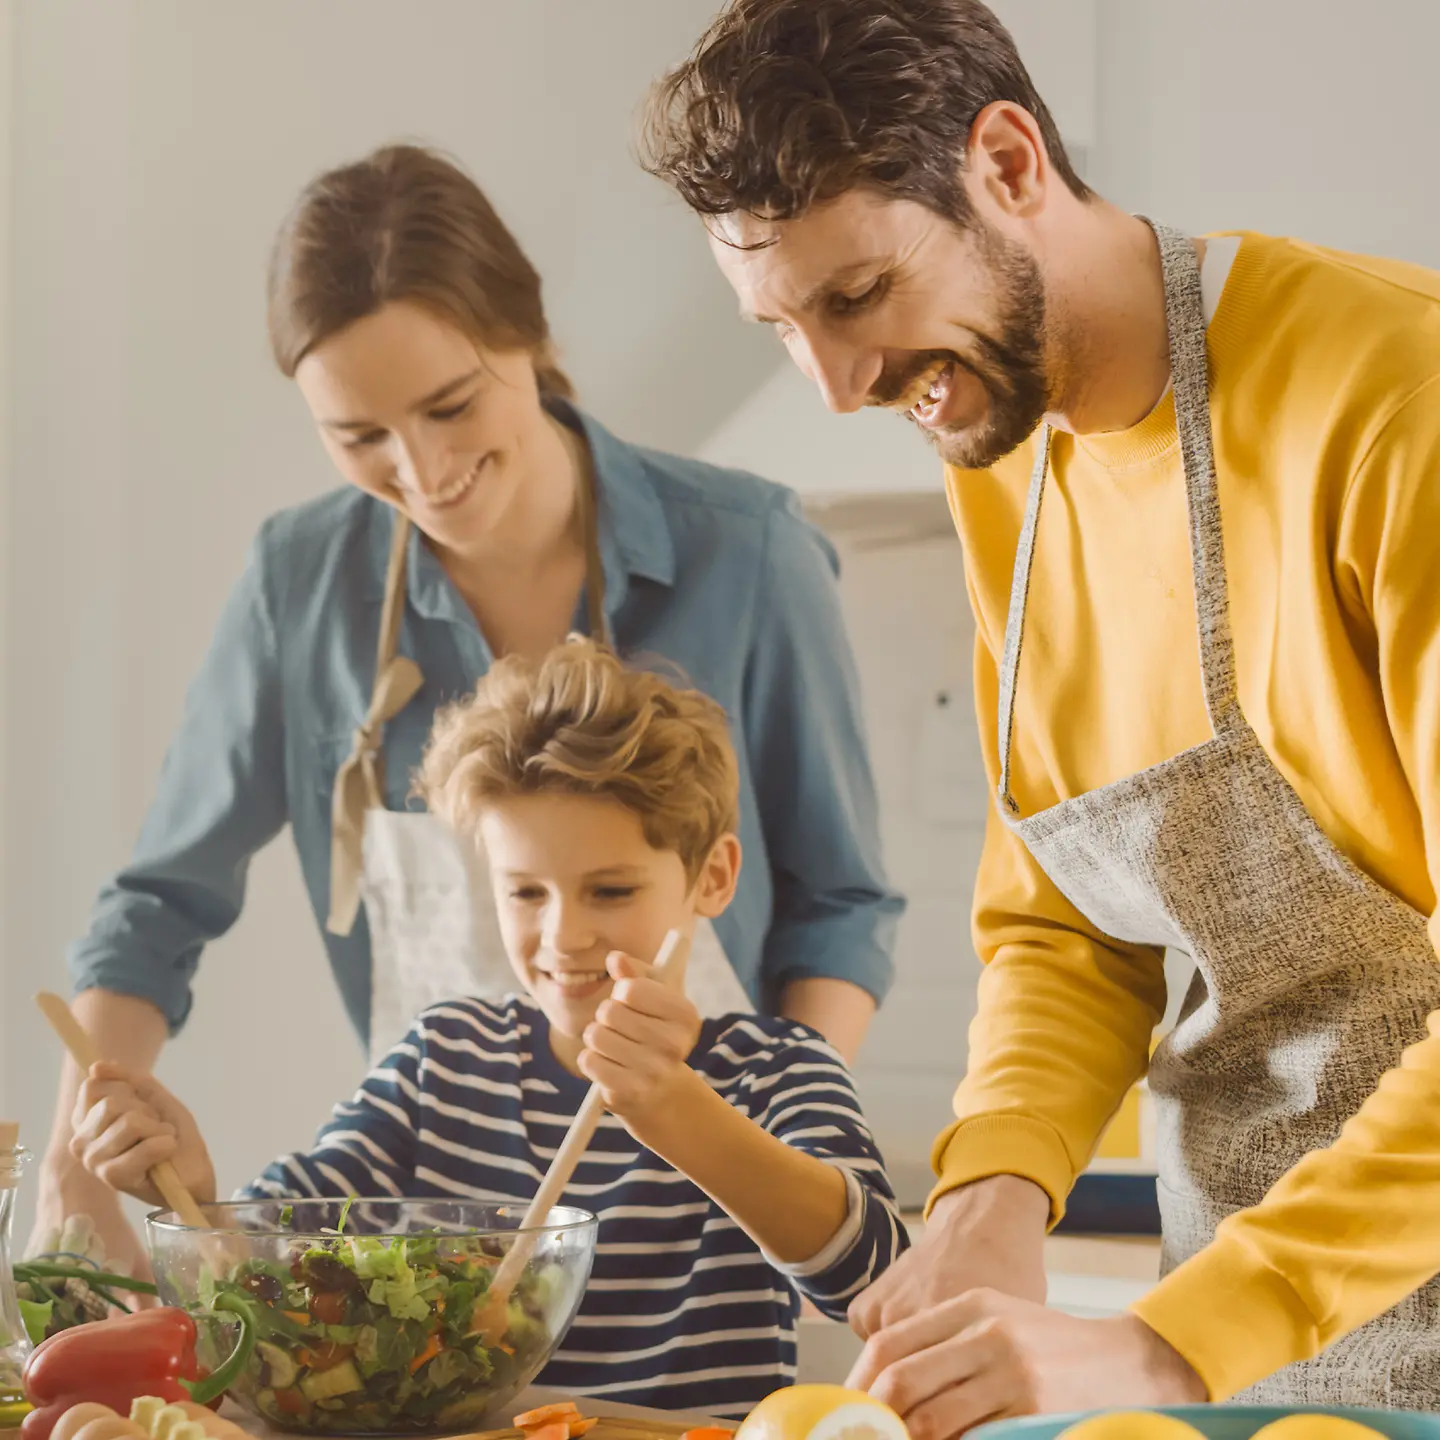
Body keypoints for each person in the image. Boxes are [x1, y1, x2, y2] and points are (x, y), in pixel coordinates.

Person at [641, 0, 1440, 1430]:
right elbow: (1066, 923)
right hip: (1268, 1369)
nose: (834, 388)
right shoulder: (1006, 448)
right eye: (779, 328)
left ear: (1009, 162)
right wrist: (996, 1188)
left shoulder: (1392, 399)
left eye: (858, 295)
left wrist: (1156, 1350)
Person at [35, 143, 903, 1285]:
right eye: (361, 438)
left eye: (450, 405)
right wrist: (75, 1172)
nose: (425, 467)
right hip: (432, 1235)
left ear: (526, 339)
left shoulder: (749, 551)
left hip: (705, 1218)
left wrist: (756, 1136)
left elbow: (838, 903)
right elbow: (159, 903)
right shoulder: (300, 583)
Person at [67, 638, 908, 1417]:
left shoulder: (776, 1069)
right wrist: (198, 1193)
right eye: (524, 892)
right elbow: (275, 1257)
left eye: (610, 891)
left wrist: (676, 1111)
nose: (563, 937)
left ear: (713, 877)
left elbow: (872, 1274)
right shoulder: (449, 1060)